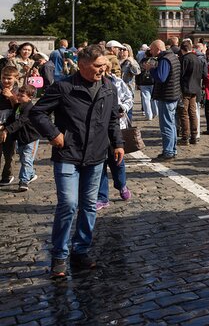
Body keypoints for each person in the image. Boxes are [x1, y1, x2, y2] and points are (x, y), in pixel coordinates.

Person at [29, 44, 123, 278]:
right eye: (98, 65)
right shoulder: (63, 87)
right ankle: (59, 256)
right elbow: (37, 112)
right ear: (82, 65)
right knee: (68, 204)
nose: (103, 69)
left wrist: (118, 143)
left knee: (89, 205)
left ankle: (80, 251)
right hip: (68, 154)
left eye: (104, 65)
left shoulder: (109, 88)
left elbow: (113, 119)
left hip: (96, 155)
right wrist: (53, 134)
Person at [96, 72, 134, 209]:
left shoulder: (116, 82)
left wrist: (122, 108)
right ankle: (102, 196)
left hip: (115, 127)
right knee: (99, 164)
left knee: (117, 161)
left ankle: (121, 185)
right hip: (96, 131)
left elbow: (129, 98)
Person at [0, 84, 39, 191]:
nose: (19, 97)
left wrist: (7, 130)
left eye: (22, 96)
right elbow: (12, 119)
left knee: (27, 159)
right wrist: (4, 126)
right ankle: (31, 174)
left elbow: (20, 121)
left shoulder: (30, 109)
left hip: (31, 139)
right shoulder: (18, 107)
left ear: (30, 97)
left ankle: (23, 181)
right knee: (23, 159)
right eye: (18, 95)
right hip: (21, 138)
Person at [147, 40, 181, 161]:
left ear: (158, 49)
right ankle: (172, 150)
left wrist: (151, 69)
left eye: (152, 49)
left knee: (166, 125)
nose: (150, 51)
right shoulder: (173, 57)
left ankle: (168, 152)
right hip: (173, 94)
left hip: (167, 96)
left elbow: (161, 77)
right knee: (171, 124)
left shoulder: (165, 59)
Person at [177, 41, 204, 145]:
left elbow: (181, 74)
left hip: (185, 89)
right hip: (195, 88)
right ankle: (194, 135)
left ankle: (185, 137)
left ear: (182, 50)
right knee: (192, 113)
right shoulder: (197, 58)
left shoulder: (184, 59)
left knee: (184, 113)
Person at [0, 65, 19, 185]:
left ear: (15, 78)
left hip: (11, 124)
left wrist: (11, 97)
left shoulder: (18, 91)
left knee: (9, 152)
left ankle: (7, 175)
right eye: (3, 78)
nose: (6, 81)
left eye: (9, 78)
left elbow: (18, 110)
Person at [137, 48, 158, 121]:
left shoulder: (142, 61)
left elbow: (138, 72)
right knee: (154, 98)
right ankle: (155, 112)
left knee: (146, 99)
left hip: (143, 82)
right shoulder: (155, 61)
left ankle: (148, 115)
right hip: (153, 81)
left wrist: (137, 82)